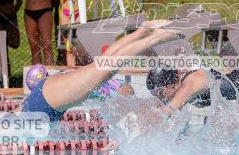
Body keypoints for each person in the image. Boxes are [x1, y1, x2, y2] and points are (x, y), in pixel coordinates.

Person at [22, 21, 181, 123]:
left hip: (45, 103)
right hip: (44, 98)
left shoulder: (13, 126)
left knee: (106, 68)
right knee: (104, 63)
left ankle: (157, 37)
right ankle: (143, 31)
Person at [146, 68, 239, 116]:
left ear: (172, 85)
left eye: (160, 93)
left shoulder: (189, 83)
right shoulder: (179, 86)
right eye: (154, 94)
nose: (159, 98)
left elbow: (169, 110)